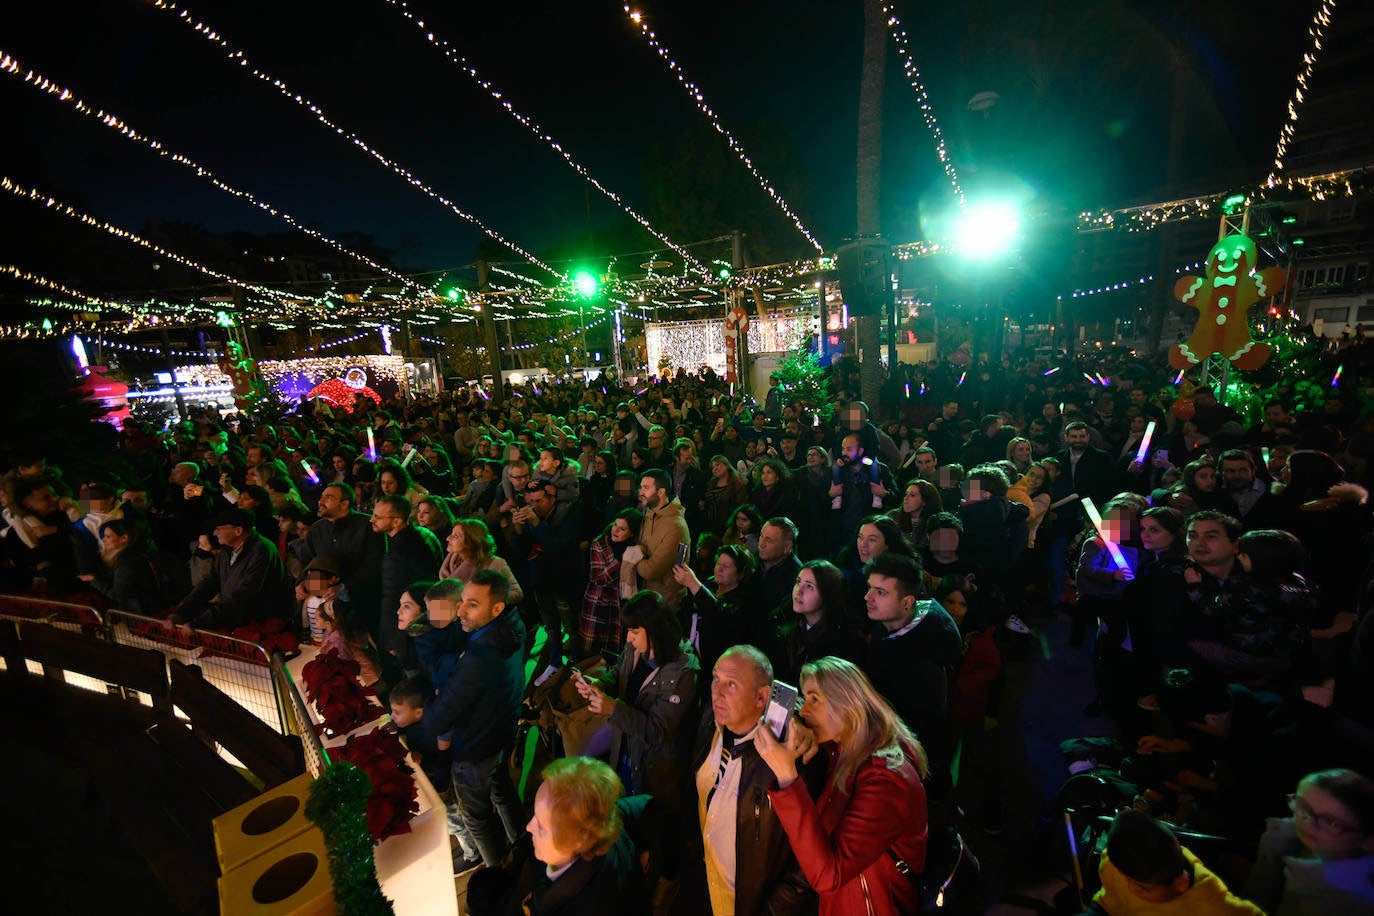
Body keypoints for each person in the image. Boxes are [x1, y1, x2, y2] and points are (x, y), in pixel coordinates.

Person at [754, 657, 929, 916]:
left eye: (815, 699)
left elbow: (828, 875)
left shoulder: (887, 780)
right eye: (805, 698)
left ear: (848, 702)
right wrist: (801, 727)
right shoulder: (846, 749)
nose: (803, 710)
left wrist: (786, 776)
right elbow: (801, 712)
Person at [693, 645, 818, 916]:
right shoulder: (710, 724)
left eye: (731, 684)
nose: (717, 692)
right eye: (715, 679)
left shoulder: (788, 757)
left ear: (761, 698)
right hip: (709, 891)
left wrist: (771, 911)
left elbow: (805, 865)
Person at [425, 569, 527, 867]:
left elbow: (441, 714)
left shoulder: (480, 655)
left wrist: (423, 714)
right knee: (502, 790)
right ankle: (521, 848)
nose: (460, 612)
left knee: (476, 818)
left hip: (474, 745)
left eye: (472, 605)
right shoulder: (512, 623)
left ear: (496, 608)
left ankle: (499, 875)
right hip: (500, 731)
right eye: (462, 602)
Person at [469, 756, 655, 916]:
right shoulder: (604, 821)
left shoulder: (586, 906)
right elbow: (648, 805)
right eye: (534, 815)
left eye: (541, 826)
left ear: (578, 841)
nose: (529, 826)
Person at [862, 551, 963, 797]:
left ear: (907, 602)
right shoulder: (890, 627)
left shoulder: (923, 662)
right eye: (870, 588)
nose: (868, 597)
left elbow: (924, 735)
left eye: (881, 592)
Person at [1246, 768, 1374, 915]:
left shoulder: (1356, 897)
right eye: (1303, 807)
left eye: (1332, 822)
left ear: (1368, 841)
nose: (1308, 824)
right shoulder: (1286, 842)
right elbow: (1255, 903)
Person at [1089, 809, 1263, 915]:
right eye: (1128, 879)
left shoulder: (1214, 906)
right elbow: (1108, 902)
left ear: (1181, 883)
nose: (1130, 888)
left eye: (1144, 888)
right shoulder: (1116, 865)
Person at [169, 507, 292, 629]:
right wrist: (181, 613)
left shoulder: (262, 550)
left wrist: (200, 622)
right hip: (236, 620)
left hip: (259, 625)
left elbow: (244, 595)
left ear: (238, 531)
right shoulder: (227, 550)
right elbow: (210, 583)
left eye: (219, 529)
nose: (214, 533)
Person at [372, 494, 443, 668]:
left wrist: (392, 638)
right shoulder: (419, 536)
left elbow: (392, 595)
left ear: (396, 521)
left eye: (378, 517)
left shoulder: (401, 551)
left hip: (408, 629)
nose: (371, 520)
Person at [767, 559, 865, 685]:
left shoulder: (846, 641)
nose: (798, 591)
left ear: (827, 593)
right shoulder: (785, 628)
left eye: (809, 586)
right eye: (798, 582)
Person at [673, 543, 758, 673]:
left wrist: (693, 584)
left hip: (714, 666)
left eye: (726, 566)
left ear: (740, 573)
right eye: (718, 564)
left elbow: (719, 615)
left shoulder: (743, 602)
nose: (719, 569)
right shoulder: (710, 584)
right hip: (688, 656)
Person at [580, 508, 644, 659]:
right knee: (591, 650)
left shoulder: (634, 549)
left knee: (613, 651)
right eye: (615, 525)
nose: (615, 530)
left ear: (632, 533)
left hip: (618, 604)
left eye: (622, 529)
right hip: (598, 602)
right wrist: (623, 559)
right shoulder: (600, 543)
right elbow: (598, 577)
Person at [627, 469, 689, 605]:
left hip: (666, 602)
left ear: (661, 492)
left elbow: (650, 571)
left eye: (646, 488)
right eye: (640, 487)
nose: (640, 492)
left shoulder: (676, 527)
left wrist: (634, 558)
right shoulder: (649, 515)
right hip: (648, 596)